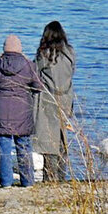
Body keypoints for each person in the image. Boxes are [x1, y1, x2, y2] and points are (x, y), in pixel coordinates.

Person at [0, 35, 42, 188]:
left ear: (4, 49)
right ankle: (28, 181)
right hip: (22, 111)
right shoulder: (29, 65)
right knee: (24, 147)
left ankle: (6, 182)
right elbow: (38, 87)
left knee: (3, 149)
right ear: (20, 49)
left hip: (0, 112)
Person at [33, 21, 76, 182]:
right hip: (66, 98)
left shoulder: (44, 54)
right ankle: (61, 176)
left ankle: (50, 177)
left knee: (49, 140)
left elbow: (34, 74)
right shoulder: (70, 52)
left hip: (47, 99)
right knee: (62, 140)